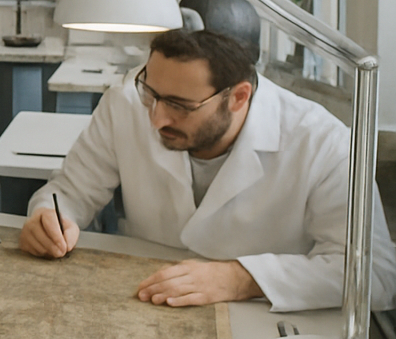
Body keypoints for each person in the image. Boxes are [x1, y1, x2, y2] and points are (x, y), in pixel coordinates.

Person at [20, 27, 396, 310]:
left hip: (254, 321)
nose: (155, 118)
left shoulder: (322, 141)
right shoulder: (125, 105)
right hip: (141, 299)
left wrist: (242, 278)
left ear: (238, 97)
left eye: (179, 105)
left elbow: (375, 274)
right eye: (150, 93)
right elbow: (69, 191)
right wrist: (50, 217)